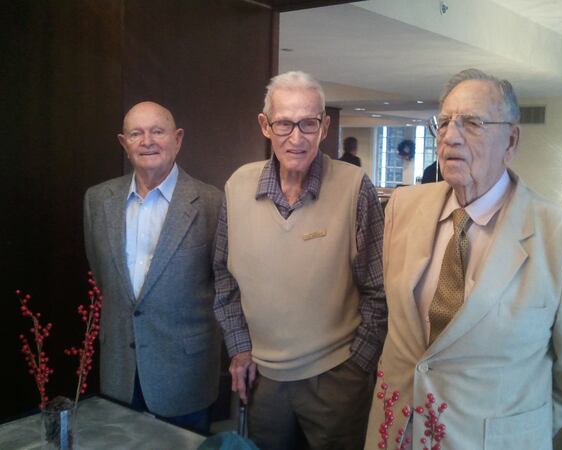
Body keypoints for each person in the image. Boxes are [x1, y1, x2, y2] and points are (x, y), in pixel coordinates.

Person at [365, 69, 562, 450]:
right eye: (444, 123)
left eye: (472, 123)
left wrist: (516, 428)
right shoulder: (403, 208)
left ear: (511, 139)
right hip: (395, 431)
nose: (451, 136)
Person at [213, 71, 387, 450]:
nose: (296, 137)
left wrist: (357, 367)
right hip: (264, 381)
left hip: (336, 378)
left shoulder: (355, 187)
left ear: (324, 127)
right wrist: (240, 348)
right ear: (265, 126)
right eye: (284, 123)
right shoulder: (237, 187)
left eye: (308, 123)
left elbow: (378, 290)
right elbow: (224, 279)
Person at [83, 101, 223, 434]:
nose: (148, 141)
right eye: (136, 133)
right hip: (119, 371)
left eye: (157, 131)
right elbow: (103, 278)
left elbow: (224, 286)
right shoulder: (97, 201)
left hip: (185, 374)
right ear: (123, 142)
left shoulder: (212, 202)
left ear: (177, 139)